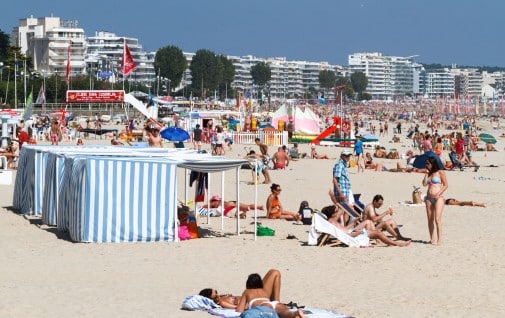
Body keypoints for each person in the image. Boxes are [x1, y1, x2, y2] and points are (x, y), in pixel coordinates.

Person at [321, 205, 410, 247]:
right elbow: (344, 236)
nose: (338, 213)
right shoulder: (331, 223)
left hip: (352, 232)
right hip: (352, 235)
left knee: (377, 232)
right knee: (377, 233)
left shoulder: (332, 221)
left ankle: (395, 243)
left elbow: (344, 229)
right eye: (336, 212)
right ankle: (397, 243)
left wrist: (353, 223)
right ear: (332, 214)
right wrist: (355, 234)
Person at [236, 269, 305, 318]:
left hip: (263, 306)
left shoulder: (247, 291)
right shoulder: (264, 291)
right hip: (274, 303)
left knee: (272, 312)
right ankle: (295, 313)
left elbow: (239, 310)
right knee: (285, 313)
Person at [422, 156, 449, 245]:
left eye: (428, 164)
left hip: (438, 198)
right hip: (429, 198)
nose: (426, 165)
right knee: (430, 219)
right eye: (426, 164)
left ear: (432, 164)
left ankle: (439, 239)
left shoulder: (440, 172)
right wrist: (426, 174)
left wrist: (438, 193)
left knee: (437, 219)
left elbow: (445, 185)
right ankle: (432, 238)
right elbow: (424, 184)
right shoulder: (428, 173)